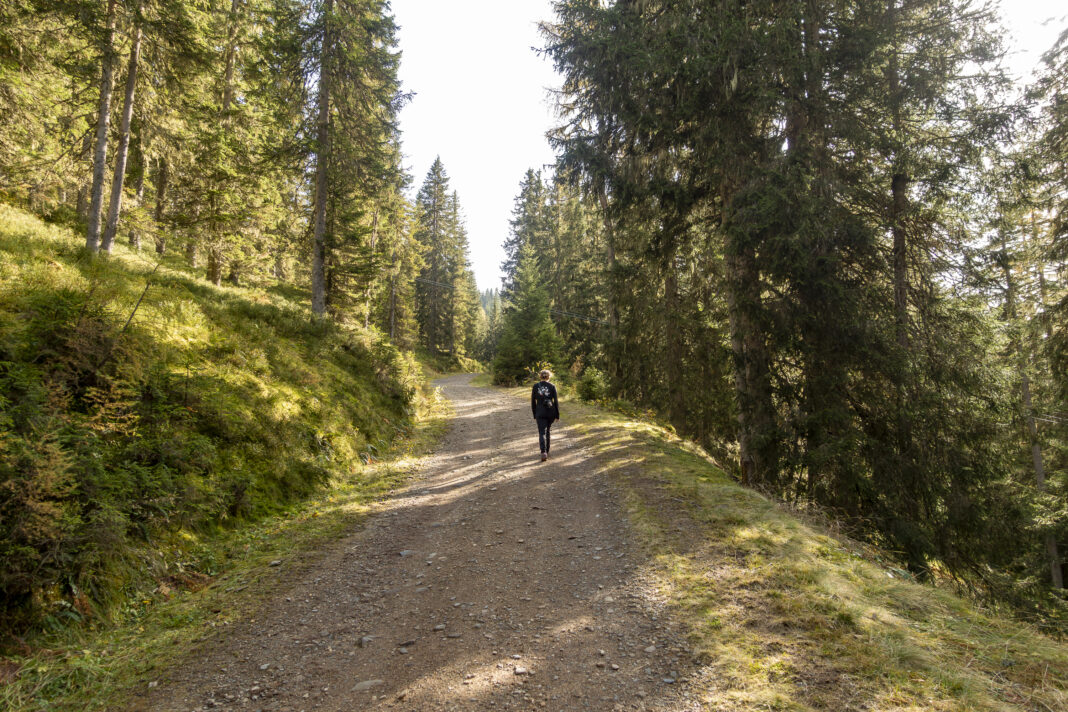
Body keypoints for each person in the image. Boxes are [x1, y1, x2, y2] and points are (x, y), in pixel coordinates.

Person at [531, 369, 560, 462]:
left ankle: (543, 452)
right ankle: (547, 450)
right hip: (550, 412)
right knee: (547, 431)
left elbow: (533, 402)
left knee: (541, 432)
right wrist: (557, 415)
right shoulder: (552, 386)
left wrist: (534, 414)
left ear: (540, 376)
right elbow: (556, 401)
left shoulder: (535, 386)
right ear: (549, 376)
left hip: (540, 412)